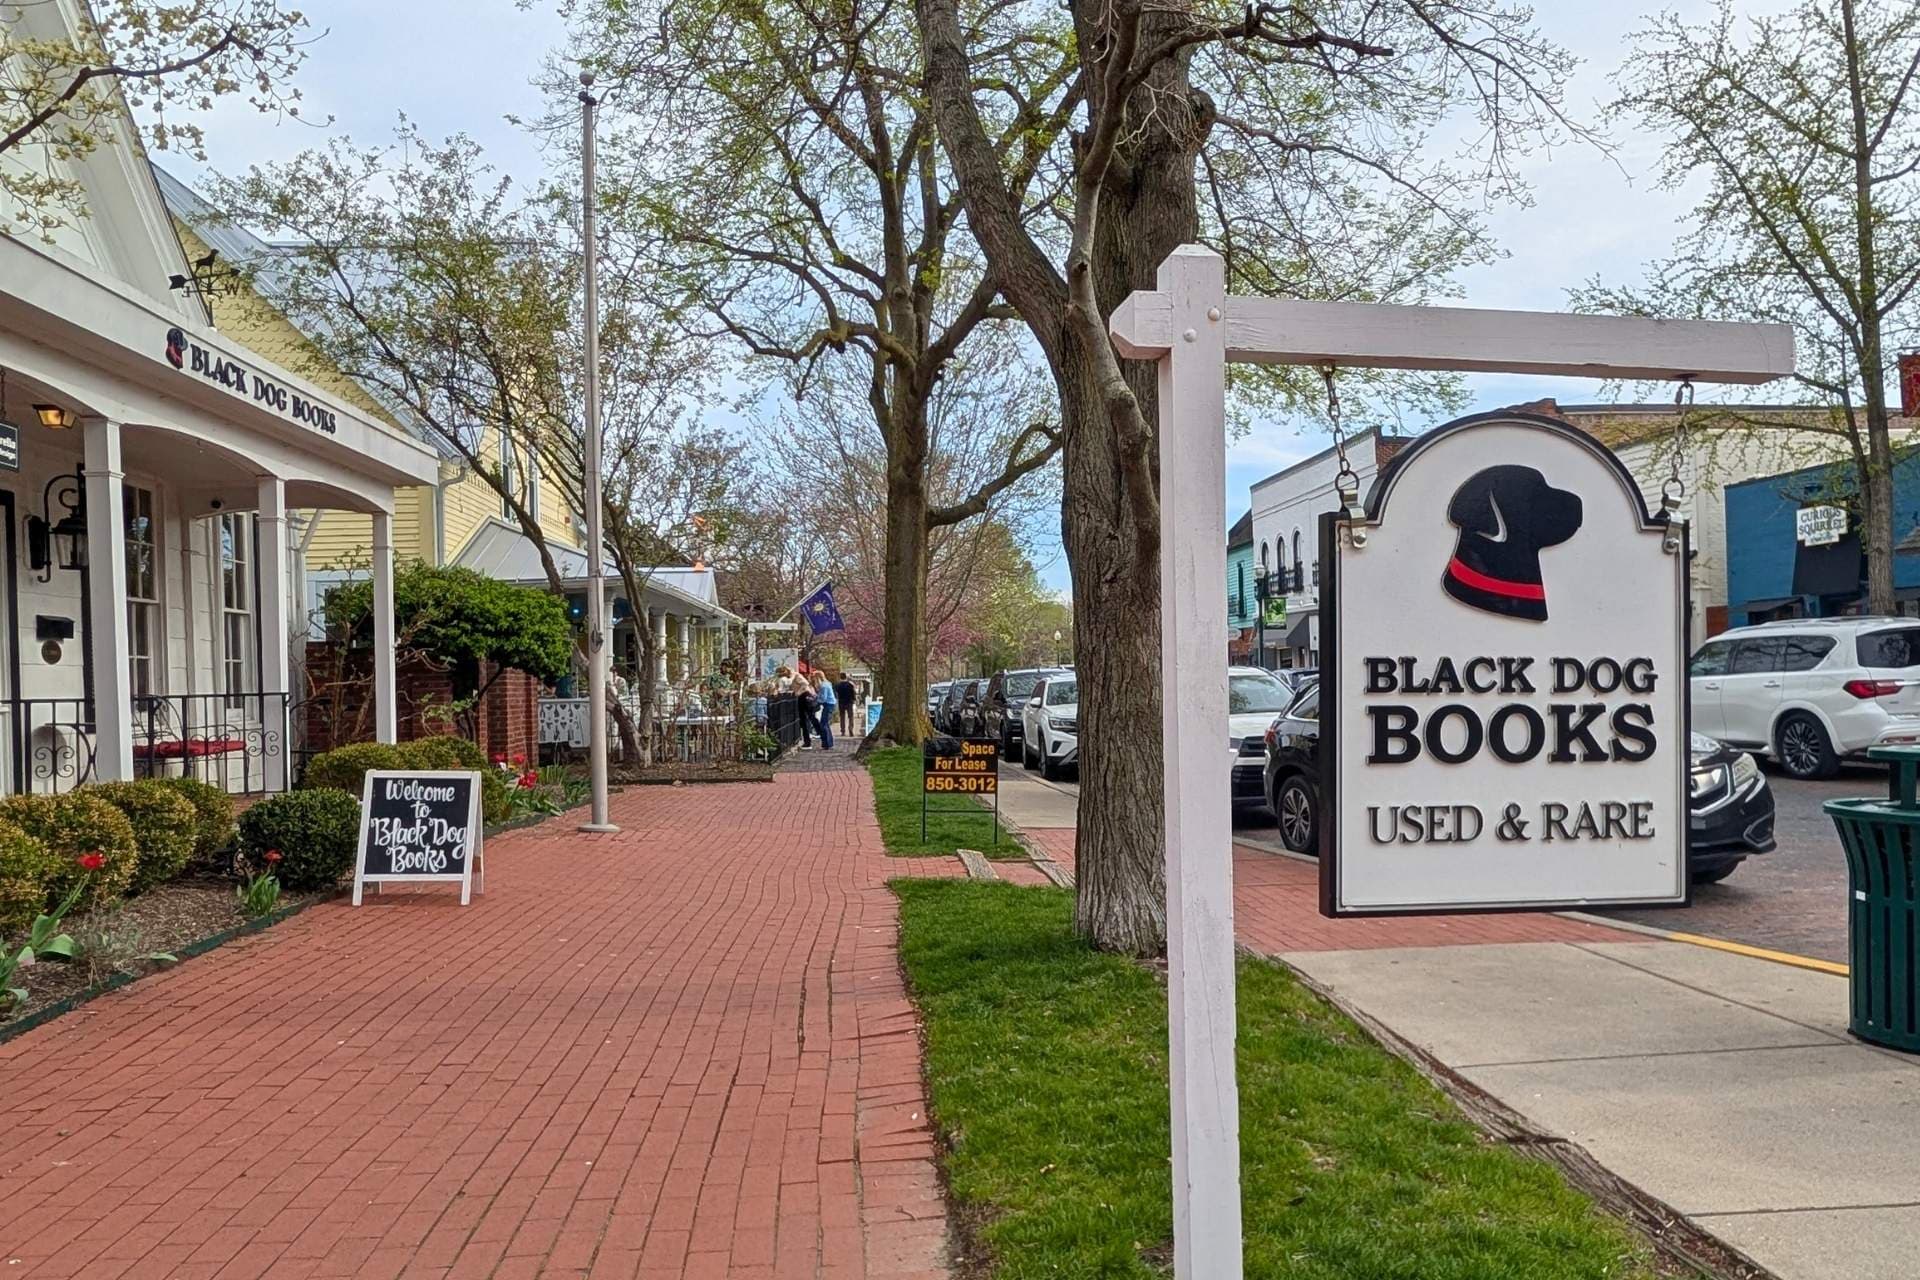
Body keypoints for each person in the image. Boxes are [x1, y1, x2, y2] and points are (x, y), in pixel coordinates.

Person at [812, 671, 837, 750]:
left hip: (828, 705)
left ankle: (827, 743)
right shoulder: (827, 684)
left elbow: (823, 698)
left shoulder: (824, 686)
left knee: (823, 724)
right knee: (825, 723)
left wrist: (816, 702)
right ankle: (828, 743)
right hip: (830, 704)